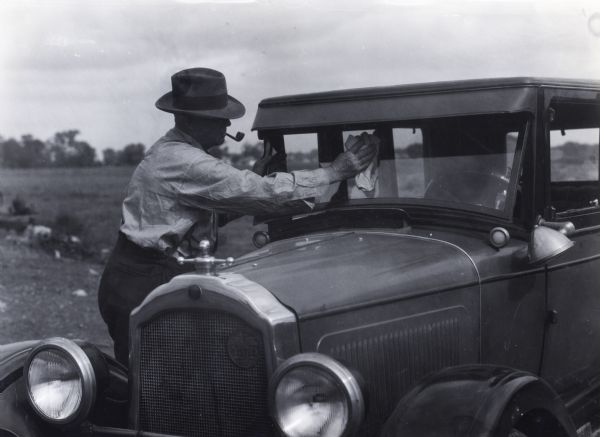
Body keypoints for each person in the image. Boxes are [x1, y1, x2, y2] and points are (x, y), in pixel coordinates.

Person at [98, 67, 377, 365]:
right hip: (144, 280)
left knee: (165, 371)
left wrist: (255, 180)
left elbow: (205, 211)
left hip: (134, 275)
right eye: (221, 116)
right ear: (196, 121)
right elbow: (260, 192)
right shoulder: (186, 161)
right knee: (155, 378)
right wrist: (334, 173)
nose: (229, 123)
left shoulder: (173, 152)